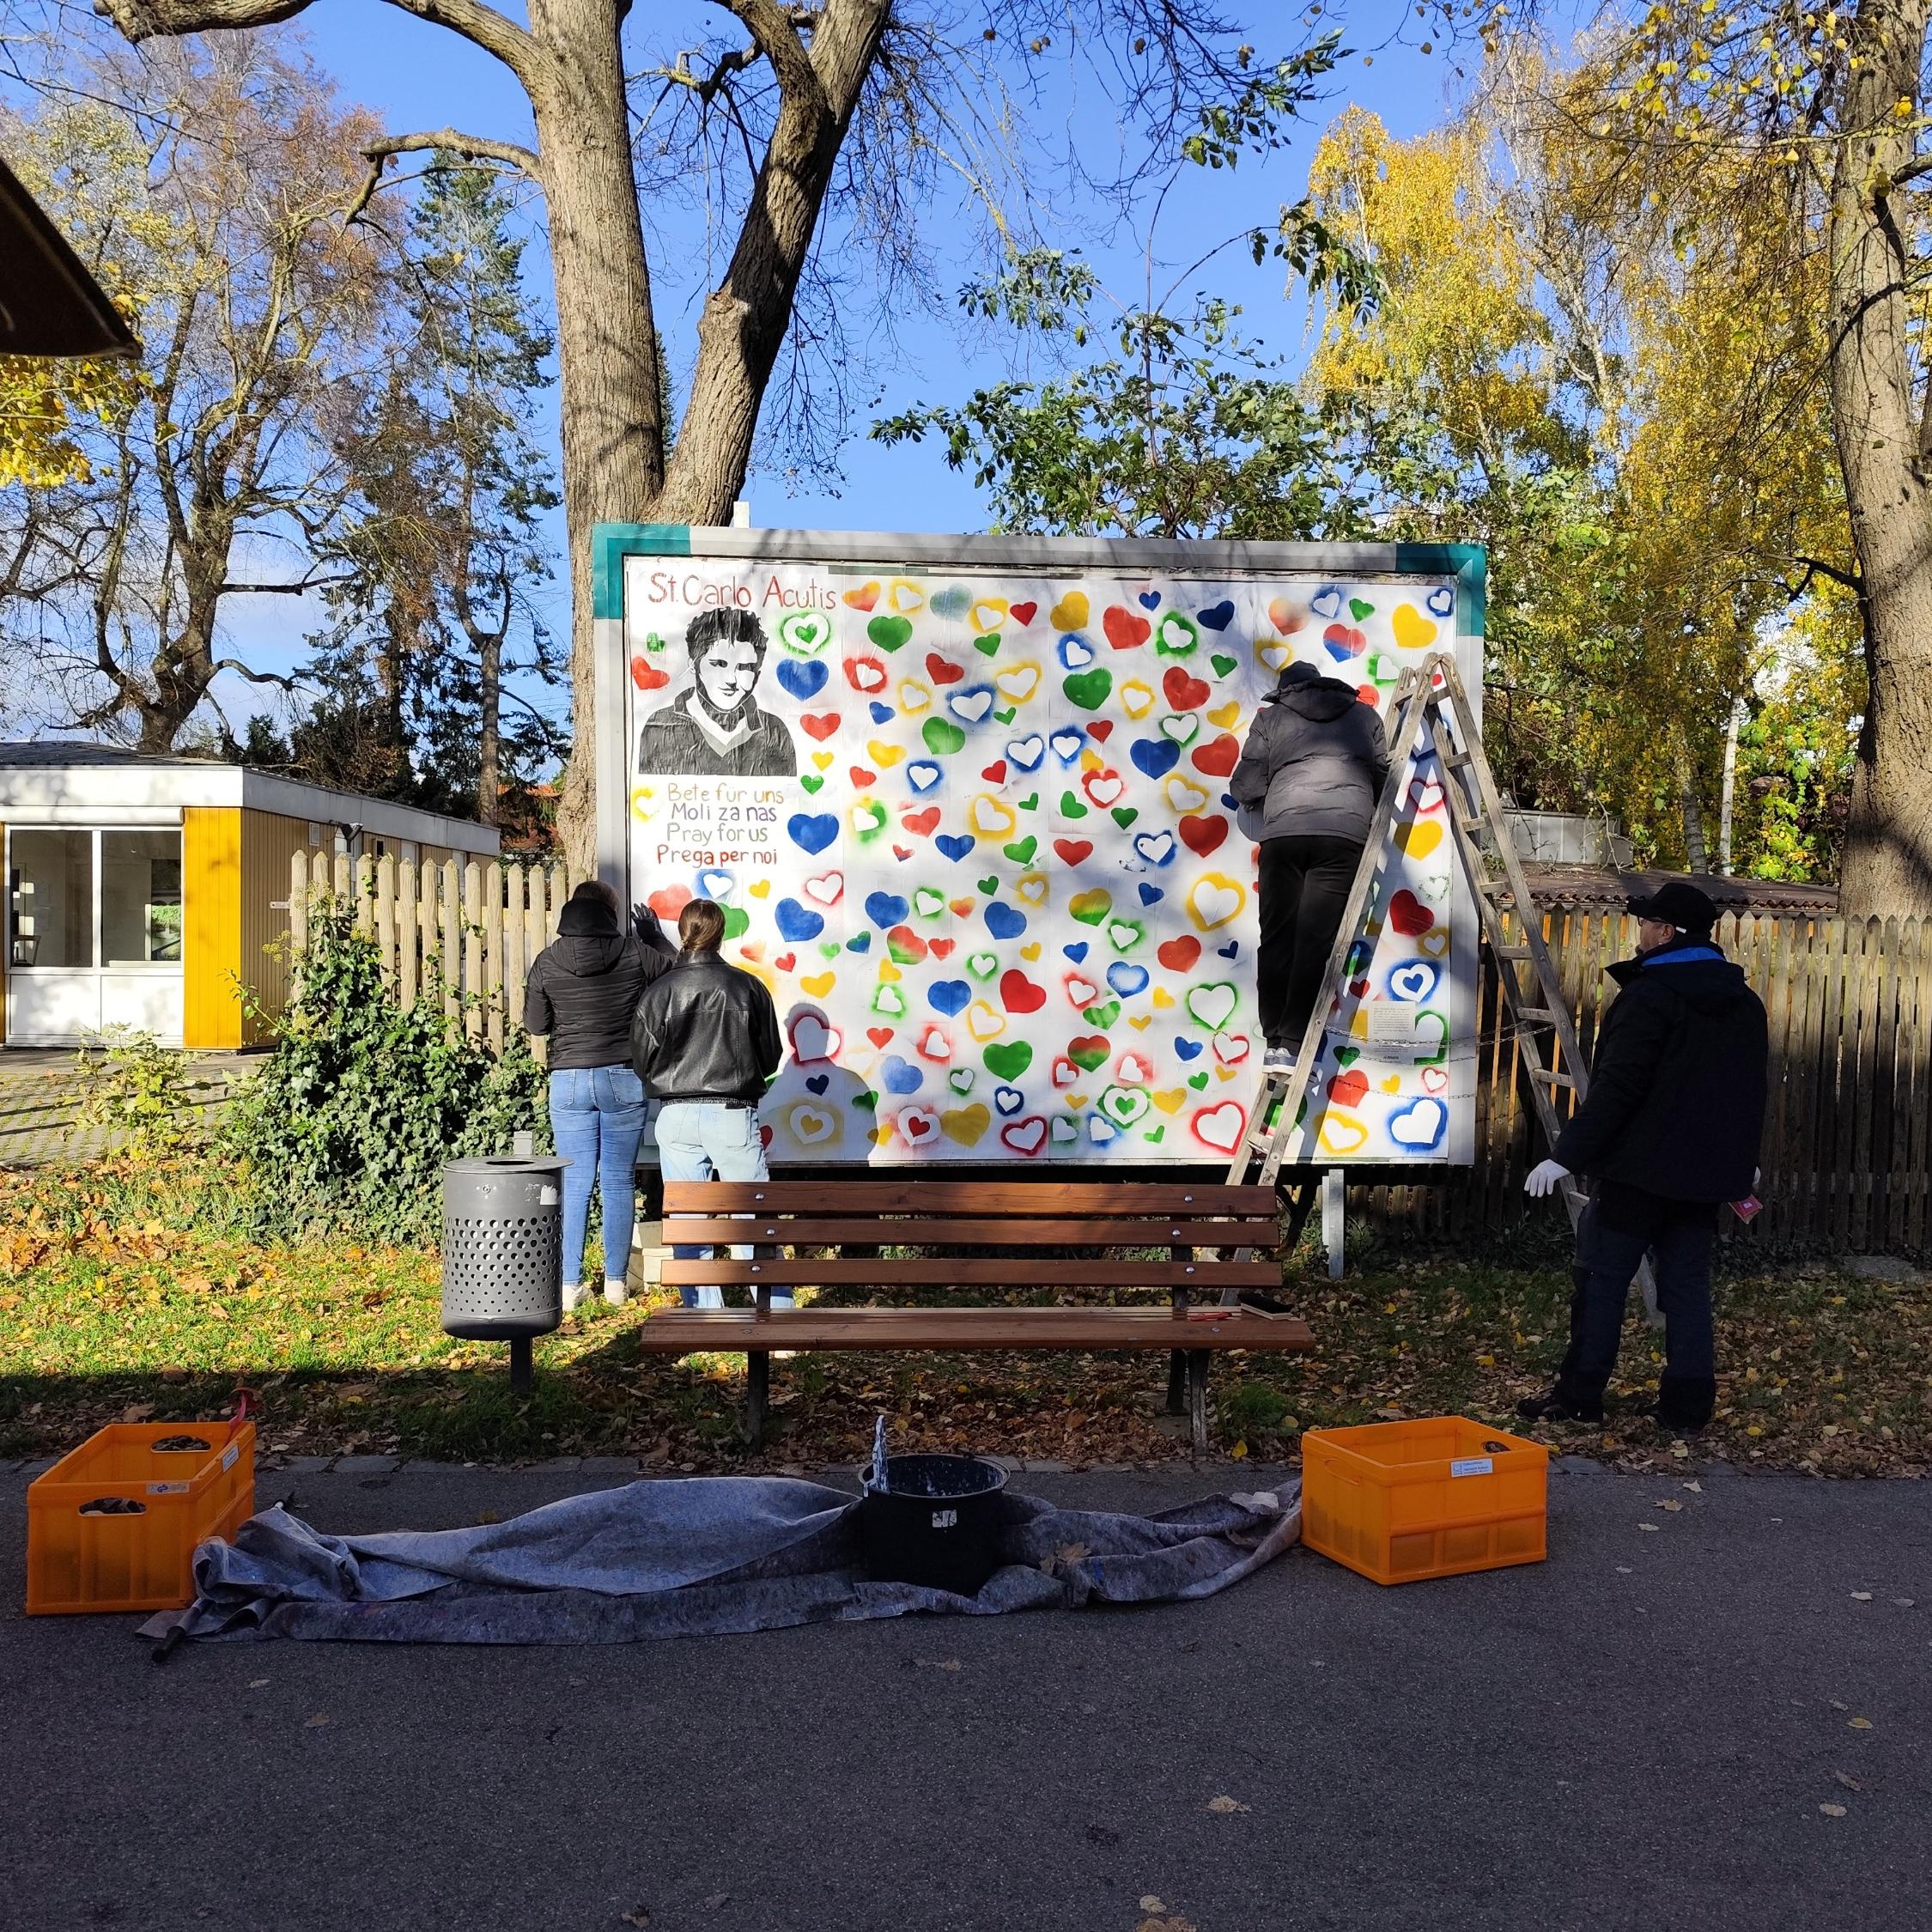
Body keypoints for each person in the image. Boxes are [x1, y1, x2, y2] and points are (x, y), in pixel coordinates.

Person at [1517, 880, 1768, 1435]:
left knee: (1602, 1281)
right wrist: (1740, 1163)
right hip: (1703, 1176)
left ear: (1666, 932)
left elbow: (1618, 1090)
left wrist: (1566, 1155)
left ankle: (1580, 1397)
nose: (1638, 933)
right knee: (1686, 1289)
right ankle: (1686, 1409)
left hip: (1638, 1172)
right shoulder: (1744, 1003)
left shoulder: (1650, 996)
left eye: (1646, 924)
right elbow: (1748, 1093)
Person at [1231, 659, 1391, 1070]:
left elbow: (1246, 785)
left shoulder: (1271, 719)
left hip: (1285, 833)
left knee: (1278, 937)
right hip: (1344, 834)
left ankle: (1274, 1044)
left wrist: (1263, 793)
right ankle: (1294, 1040)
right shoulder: (1365, 715)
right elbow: (1381, 775)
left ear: (1285, 691)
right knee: (1316, 941)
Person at [630, 896, 785, 1309]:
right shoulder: (748, 986)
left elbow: (641, 1059)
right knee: (754, 1216)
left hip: (676, 1114)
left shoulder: (658, 991)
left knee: (687, 1221)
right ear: (720, 933)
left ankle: (703, 1314)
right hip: (733, 1112)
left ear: (683, 933)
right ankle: (776, 1313)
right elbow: (770, 1055)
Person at [523, 879, 668, 1311]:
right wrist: (654, 936)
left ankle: (569, 1286)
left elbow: (536, 1025)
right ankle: (616, 1284)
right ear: (610, 912)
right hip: (623, 1075)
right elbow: (682, 971)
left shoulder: (547, 960)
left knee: (576, 1182)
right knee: (619, 1180)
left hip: (568, 1079)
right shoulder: (633, 951)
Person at [636, 607, 798, 778]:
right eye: (719, 664)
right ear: (694, 665)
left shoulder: (774, 730)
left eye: (744, 667)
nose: (731, 679)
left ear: (757, 672)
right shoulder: (660, 725)